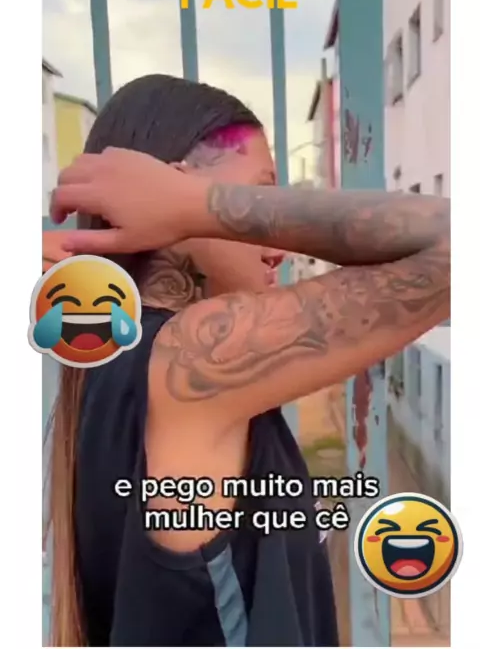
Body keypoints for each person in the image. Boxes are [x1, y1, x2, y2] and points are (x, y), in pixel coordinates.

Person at [47, 74, 450, 647]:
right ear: (170, 192)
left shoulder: (116, 357)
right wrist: (195, 205)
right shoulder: (191, 364)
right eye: (257, 196)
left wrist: (196, 202)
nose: (277, 241)